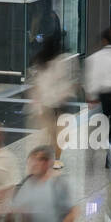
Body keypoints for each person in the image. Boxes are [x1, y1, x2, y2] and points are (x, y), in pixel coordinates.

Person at [29, 37, 73, 169]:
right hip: (60, 103)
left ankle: (46, 158)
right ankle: (56, 159)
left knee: (49, 133)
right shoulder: (62, 61)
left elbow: (36, 85)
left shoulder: (39, 62)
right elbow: (65, 82)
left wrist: (36, 106)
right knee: (60, 134)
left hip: (45, 103)